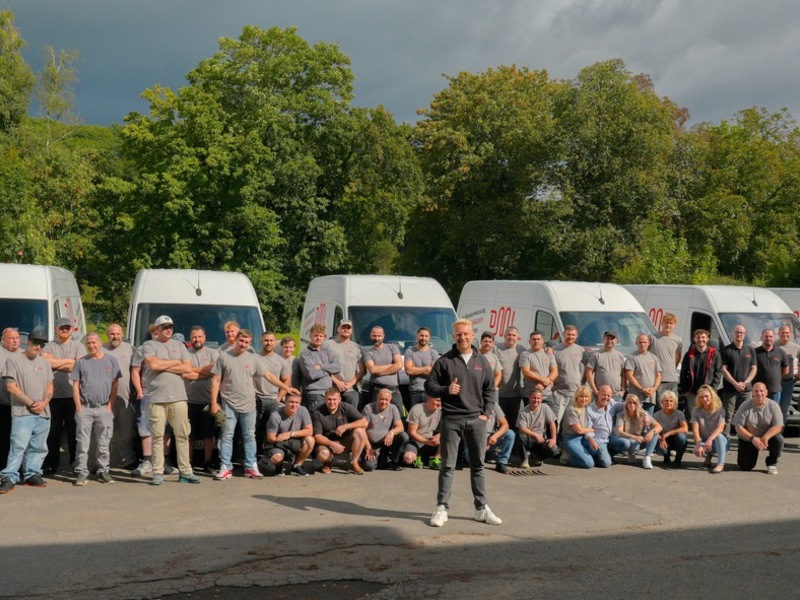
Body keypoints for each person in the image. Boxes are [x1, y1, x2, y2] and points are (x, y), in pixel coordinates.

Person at [425, 319, 501, 527]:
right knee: (447, 466)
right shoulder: (444, 361)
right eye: (458, 334)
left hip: (476, 420)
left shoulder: (482, 361)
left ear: (472, 335)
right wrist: (446, 390)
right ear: (454, 336)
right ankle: (442, 508)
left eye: (466, 334)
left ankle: (481, 509)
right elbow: (429, 385)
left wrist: (486, 413)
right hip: (451, 419)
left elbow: (490, 390)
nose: (462, 337)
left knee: (478, 466)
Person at [211, 329, 299, 481]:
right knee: (227, 435)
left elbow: (269, 375)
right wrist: (213, 402)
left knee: (249, 436)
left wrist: (286, 388)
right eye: (241, 341)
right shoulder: (224, 357)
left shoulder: (253, 358)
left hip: (249, 404)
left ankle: (250, 466)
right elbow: (216, 380)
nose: (243, 344)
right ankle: (225, 466)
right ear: (236, 340)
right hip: (228, 403)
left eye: (247, 342)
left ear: (250, 343)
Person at [140, 315, 199, 485]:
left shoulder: (179, 345)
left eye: (170, 327)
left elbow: (188, 367)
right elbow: (153, 365)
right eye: (164, 327)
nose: (168, 329)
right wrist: (175, 363)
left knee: (183, 435)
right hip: (157, 398)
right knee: (157, 436)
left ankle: (186, 472)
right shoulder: (149, 345)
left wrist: (164, 364)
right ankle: (158, 472)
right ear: (157, 329)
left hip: (178, 397)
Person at [0, 328, 53, 494]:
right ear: (28, 341)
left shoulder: (45, 363)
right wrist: (31, 403)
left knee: (39, 446)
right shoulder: (13, 360)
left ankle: (32, 474)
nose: (38, 347)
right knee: (18, 446)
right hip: (22, 412)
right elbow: (11, 387)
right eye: (35, 343)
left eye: (42, 345)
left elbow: (50, 387)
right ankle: (9, 477)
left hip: (43, 412)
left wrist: (44, 403)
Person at [70, 332, 122, 485]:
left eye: (93, 342)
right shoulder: (81, 362)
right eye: (88, 343)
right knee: (82, 443)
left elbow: (115, 384)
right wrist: (78, 407)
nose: (91, 345)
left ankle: (103, 471)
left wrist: (110, 405)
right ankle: (81, 472)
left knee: (104, 443)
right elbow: (75, 386)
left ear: (100, 343)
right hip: (85, 408)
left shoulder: (111, 361)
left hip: (104, 408)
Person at [41, 317, 86, 474]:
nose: (64, 330)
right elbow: (46, 363)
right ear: (56, 329)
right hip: (53, 397)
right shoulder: (49, 345)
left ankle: (75, 462)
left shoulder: (78, 346)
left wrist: (56, 363)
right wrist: (69, 362)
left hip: (73, 396)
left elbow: (79, 366)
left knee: (74, 432)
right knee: (53, 433)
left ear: (72, 330)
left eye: (67, 328)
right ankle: (51, 463)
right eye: (62, 328)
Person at [183, 326, 219, 473]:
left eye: (199, 337)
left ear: (205, 338)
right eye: (194, 337)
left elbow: (214, 370)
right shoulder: (185, 353)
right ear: (190, 338)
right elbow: (184, 373)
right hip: (189, 400)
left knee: (208, 434)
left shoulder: (213, 353)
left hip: (207, 401)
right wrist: (205, 372)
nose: (197, 339)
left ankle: (207, 462)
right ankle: (189, 463)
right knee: (189, 434)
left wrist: (193, 370)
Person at [312, 387, 369, 475]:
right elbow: (317, 437)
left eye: (334, 399)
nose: (331, 402)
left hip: (344, 441)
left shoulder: (346, 407)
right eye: (329, 399)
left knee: (360, 431)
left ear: (339, 399)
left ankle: (354, 462)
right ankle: (327, 462)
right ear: (325, 399)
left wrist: (346, 426)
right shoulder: (318, 413)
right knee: (323, 455)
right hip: (327, 443)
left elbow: (364, 422)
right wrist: (332, 444)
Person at [103, 323, 137, 470]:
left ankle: (128, 459)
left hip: (126, 398)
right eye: (112, 334)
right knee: (105, 433)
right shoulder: (101, 350)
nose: (115, 337)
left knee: (126, 432)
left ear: (122, 334)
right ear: (107, 335)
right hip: (105, 400)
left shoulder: (131, 349)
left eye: (118, 334)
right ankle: (103, 462)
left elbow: (137, 371)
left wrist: (136, 392)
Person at [732, 382, 784, 474]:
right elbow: (738, 427)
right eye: (756, 391)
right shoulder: (745, 406)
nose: (759, 393)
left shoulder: (773, 406)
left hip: (767, 438)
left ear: (766, 392)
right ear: (752, 393)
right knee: (745, 466)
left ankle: (772, 463)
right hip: (749, 438)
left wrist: (765, 437)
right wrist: (752, 438)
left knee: (779, 439)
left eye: (761, 391)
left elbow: (778, 426)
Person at [263, 393, 315, 476]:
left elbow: (309, 431)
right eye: (291, 402)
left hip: (294, 441)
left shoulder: (303, 410)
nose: (294, 405)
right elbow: (271, 438)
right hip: (278, 444)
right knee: (277, 458)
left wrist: (290, 434)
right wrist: (284, 442)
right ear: (285, 401)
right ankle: (272, 463)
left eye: (297, 402)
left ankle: (297, 465)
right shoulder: (275, 416)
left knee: (310, 440)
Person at [254, 331, 291, 450]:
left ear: (275, 342)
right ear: (261, 341)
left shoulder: (281, 361)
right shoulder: (254, 358)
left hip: (273, 399)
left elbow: (286, 381)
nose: (268, 343)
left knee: (271, 428)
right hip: (257, 398)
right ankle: (254, 454)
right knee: (255, 428)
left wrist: (278, 398)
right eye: (266, 340)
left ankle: (268, 453)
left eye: (271, 340)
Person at [720, 324, 757, 436]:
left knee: (746, 416)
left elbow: (754, 368)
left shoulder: (750, 350)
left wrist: (746, 382)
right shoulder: (726, 350)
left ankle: (743, 439)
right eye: (737, 332)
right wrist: (735, 384)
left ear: (744, 335)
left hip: (746, 390)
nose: (739, 334)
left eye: (741, 332)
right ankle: (725, 439)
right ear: (733, 334)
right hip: (730, 389)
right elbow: (724, 370)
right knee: (728, 416)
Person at [519, 331, 558, 430]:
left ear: (543, 341)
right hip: (530, 395)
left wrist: (544, 384)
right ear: (530, 341)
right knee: (531, 424)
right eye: (534, 339)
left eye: (538, 339)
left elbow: (555, 371)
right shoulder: (525, 354)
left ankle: (552, 440)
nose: (536, 341)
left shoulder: (548, 353)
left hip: (546, 394)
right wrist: (543, 380)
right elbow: (526, 372)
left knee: (553, 421)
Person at [679, 329, 723, 418]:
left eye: (703, 337)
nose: (701, 339)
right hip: (692, 392)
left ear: (707, 339)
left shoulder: (714, 354)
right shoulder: (689, 354)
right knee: (694, 416)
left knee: (708, 416)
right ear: (694, 339)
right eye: (698, 337)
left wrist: (713, 389)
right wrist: (685, 389)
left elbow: (718, 372)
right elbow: (683, 372)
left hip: (708, 391)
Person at [611, 394, 662, 469]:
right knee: (628, 443)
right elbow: (619, 432)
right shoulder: (621, 415)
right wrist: (635, 437)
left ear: (637, 404)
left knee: (655, 433)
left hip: (641, 440)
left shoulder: (643, 414)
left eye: (634, 403)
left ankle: (647, 458)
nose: (632, 405)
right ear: (626, 404)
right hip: (629, 440)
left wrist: (651, 432)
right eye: (629, 402)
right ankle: (631, 453)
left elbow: (659, 426)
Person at [298, 324, 341, 412]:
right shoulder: (306, 354)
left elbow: (338, 367)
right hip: (314, 394)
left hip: (328, 393)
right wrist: (329, 371)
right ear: (310, 336)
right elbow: (312, 374)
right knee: (316, 419)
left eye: (321, 336)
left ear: (324, 337)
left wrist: (322, 366)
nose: (318, 338)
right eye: (316, 335)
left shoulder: (327, 351)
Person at [362, 388, 407, 471]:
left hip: (386, 443)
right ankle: (378, 459)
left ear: (390, 400)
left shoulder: (393, 408)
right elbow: (362, 430)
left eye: (387, 400)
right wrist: (368, 447)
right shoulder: (368, 408)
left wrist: (392, 432)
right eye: (382, 399)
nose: (384, 402)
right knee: (369, 466)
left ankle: (393, 461)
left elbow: (401, 427)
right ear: (377, 398)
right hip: (371, 444)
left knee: (403, 436)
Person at [552, 325, 587, 422]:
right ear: (564, 334)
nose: (570, 337)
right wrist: (551, 383)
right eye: (568, 334)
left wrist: (583, 382)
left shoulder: (581, 350)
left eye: (573, 335)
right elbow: (549, 369)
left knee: (573, 419)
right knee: (557, 419)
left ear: (576, 336)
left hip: (575, 392)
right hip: (559, 392)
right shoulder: (554, 350)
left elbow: (589, 367)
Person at [326, 319, 365, 408]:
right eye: (343, 327)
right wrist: (337, 382)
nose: (346, 329)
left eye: (348, 328)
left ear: (351, 331)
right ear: (338, 329)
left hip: (350, 389)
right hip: (331, 387)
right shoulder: (328, 344)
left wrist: (350, 384)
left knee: (352, 411)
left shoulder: (357, 347)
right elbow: (323, 367)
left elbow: (362, 370)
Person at [363, 326, 403, 411]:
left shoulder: (392, 347)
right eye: (374, 335)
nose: (377, 338)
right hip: (377, 389)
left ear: (383, 336)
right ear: (370, 336)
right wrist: (391, 365)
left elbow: (399, 365)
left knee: (400, 413)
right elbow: (372, 370)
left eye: (379, 336)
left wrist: (380, 372)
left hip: (393, 390)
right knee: (375, 413)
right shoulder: (368, 353)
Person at [690, 384, 728, 474]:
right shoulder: (696, 410)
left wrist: (710, 439)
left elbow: (720, 428)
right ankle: (708, 456)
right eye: (701, 397)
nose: (704, 399)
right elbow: (695, 428)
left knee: (719, 436)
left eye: (706, 396)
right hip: (704, 441)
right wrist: (698, 444)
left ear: (712, 396)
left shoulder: (720, 410)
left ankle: (720, 464)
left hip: (719, 442)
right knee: (695, 450)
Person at [494, 327, 525, 434]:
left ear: (518, 337)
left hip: (514, 395)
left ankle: (513, 444)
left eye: (513, 335)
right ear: (504, 336)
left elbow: (534, 352)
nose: (511, 337)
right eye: (509, 335)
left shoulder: (521, 349)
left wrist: (548, 349)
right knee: (499, 424)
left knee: (513, 424)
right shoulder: (496, 348)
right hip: (499, 395)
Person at [517, 389, 559, 468]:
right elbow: (522, 429)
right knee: (521, 437)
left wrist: (553, 439)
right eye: (534, 398)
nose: (536, 400)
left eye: (538, 398)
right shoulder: (523, 411)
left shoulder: (545, 407)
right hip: (529, 438)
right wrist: (536, 435)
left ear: (541, 399)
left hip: (541, 440)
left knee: (555, 450)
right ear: (529, 398)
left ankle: (537, 457)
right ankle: (524, 459)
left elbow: (552, 423)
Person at [584, 385, 624, 468]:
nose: (606, 397)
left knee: (625, 443)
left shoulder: (612, 403)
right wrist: (591, 440)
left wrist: (644, 413)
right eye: (604, 395)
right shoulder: (590, 409)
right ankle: (593, 455)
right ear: (598, 393)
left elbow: (627, 406)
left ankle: (606, 454)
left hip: (609, 438)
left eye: (608, 395)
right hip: (598, 440)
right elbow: (588, 428)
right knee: (606, 463)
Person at [559, 386, 597, 469]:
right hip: (571, 439)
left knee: (599, 450)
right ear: (577, 397)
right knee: (589, 463)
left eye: (586, 397)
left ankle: (576, 455)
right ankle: (567, 457)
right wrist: (593, 430)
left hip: (583, 438)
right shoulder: (572, 409)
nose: (584, 399)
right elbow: (579, 430)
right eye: (581, 396)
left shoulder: (585, 408)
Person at [0, 327, 22, 470]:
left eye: (17, 338)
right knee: (3, 437)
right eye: (11, 338)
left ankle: (17, 468)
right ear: (3, 340)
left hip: (20, 405)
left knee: (19, 438)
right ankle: (3, 467)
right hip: (3, 404)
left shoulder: (24, 354)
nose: (15, 341)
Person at [649, 313, 682, 404]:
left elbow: (678, 356)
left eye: (671, 323)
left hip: (673, 379)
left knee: (673, 404)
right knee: (660, 405)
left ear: (674, 325)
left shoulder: (678, 340)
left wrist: (672, 368)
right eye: (666, 323)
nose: (668, 325)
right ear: (662, 323)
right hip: (658, 379)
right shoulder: (652, 338)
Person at [624, 334, 662, 412]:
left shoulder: (654, 358)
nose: (642, 344)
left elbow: (658, 375)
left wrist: (654, 389)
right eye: (640, 342)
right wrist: (642, 389)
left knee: (648, 419)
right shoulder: (631, 357)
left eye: (645, 342)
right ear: (636, 343)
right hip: (635, 397)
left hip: (650, 397)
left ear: (649, 343)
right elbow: (629, 376)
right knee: (635, 418)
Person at [404, 327, 440, 408]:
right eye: (421, 335)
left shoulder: (434, 353)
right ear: (417, 336)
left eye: (426, 336)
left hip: (429, 391)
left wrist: (415, 369)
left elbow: (434, 374)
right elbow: (408, 370)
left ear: (429, 338)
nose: (423, 338)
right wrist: (427, 368)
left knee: (429, 415)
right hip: (414, 392)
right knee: (414, 415)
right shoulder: (410, 351)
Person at [753, 328, 789, 407]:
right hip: (758, 391)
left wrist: (776, 378)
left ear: (774, 338)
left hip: (775, 390)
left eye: (770, 337)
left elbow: (786, 369)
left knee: (773, 411)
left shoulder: (781, 352)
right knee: (758, 411)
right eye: (766, 336)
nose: (768, 338)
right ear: (761, 338)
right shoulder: (754, 352)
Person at [403, 396, 442, 469]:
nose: (440, 403)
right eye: (437, 400)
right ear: (429, 398)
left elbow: (448, 429)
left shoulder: (442, 410)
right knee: (408, 458)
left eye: (441, 401)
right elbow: (411, 432)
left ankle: (436, 458)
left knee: (448, 435)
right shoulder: (417, 409)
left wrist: (439, 435)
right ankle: (417, 456)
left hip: (432, 440)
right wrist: (426, 442)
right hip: (416, 441)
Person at [584, 331, 625, 401]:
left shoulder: (620, 356)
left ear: (616, 341)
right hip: (601, 395)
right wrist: (595, 390)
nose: (610, 341)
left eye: (612, 339)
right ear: (603, 339)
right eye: (608, 338)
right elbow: (588, 372)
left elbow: (623, 374)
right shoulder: (596, 355)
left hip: (616, 395)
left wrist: (623, 390)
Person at [653, 390, 688, 468]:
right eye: (666, 400)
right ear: (662, 402)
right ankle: (666, 458)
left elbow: (685, 429)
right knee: (661, 449)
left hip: (675, 438)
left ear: (674, 403)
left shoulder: (679, 414)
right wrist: (660, 438)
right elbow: (653, 430)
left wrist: (669, 433)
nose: (668, 403)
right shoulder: (657, 415)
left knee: (682, 438)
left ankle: (678, 460)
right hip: (663, 439)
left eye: (671, 401)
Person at [776, 325, 799, 421]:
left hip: (789, 383)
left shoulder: (796, 348)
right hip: (774, 383)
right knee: (773, 410)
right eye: (782, 332)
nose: (785, 334)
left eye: (787, 333)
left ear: (791, 334)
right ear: (778, 333)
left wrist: (797, 377)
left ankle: (780, 430)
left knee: (784, 410)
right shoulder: (773, 346)